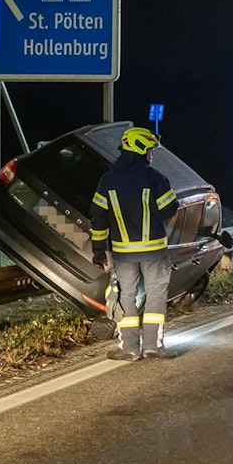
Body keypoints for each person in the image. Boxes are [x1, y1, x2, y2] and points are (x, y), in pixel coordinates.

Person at [90, 126, 179, 361]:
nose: (151, 155)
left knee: (125, 296)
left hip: (122, 254)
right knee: (156, 294)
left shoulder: (106, 181)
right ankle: (153, 346)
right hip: (154, 251)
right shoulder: (155, 178)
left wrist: (99, 250)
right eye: (149, 150)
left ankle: (129, 348)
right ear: (139, 149)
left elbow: (98, 218)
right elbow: (170, 208)